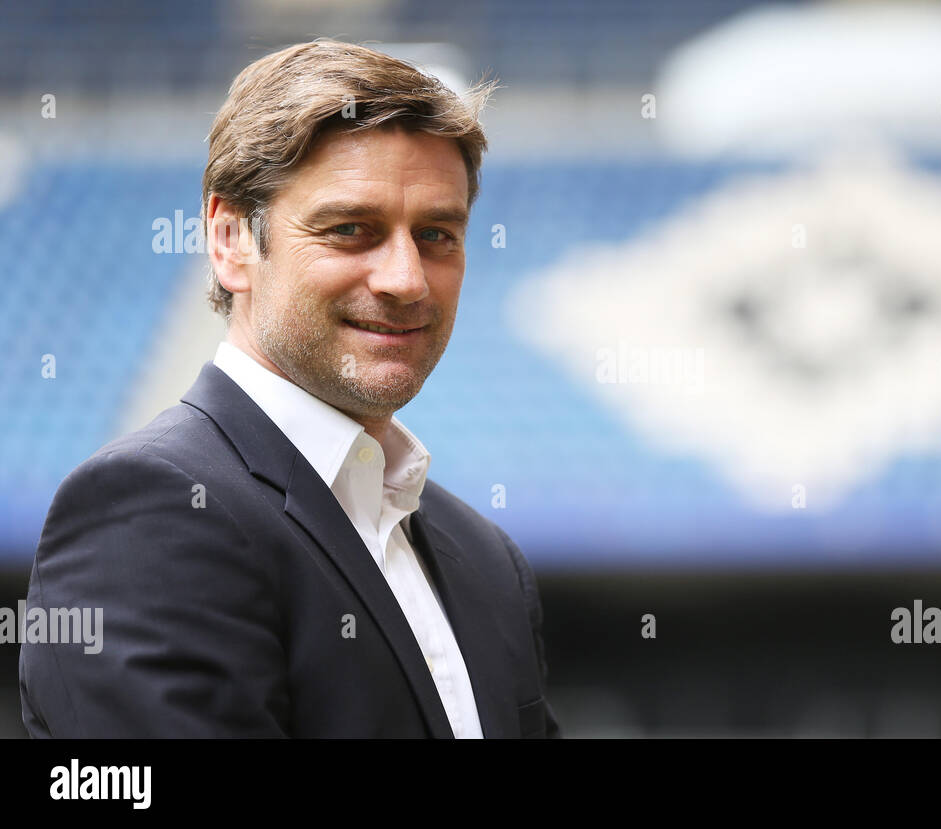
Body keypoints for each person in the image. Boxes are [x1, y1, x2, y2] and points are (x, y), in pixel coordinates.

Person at [19, 40, 559, 738]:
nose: (407, 278)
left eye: (436, 234)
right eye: (351, 230)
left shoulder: (486, 559)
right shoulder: (149, 512)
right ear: (230, 240)